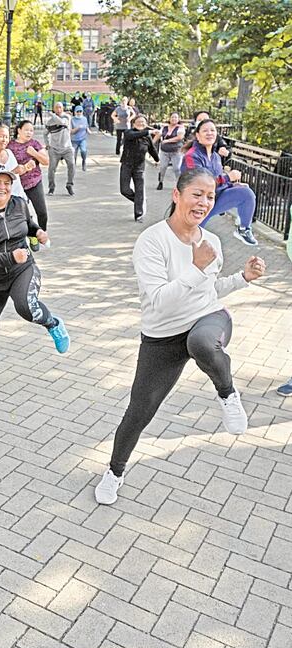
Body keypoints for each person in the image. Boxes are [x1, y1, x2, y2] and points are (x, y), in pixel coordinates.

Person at [95, 168, 266, 505]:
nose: (204, 203)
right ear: (177, 195)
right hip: (162, 335)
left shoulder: (211, 242)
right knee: (138, 413)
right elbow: (158, 300)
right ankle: (114, 472)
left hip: (208, 319)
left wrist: (243, 278)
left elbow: (210, 291)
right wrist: (196, 267)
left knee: (201, 343)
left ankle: (228, 394)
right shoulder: (153, 240)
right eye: (197, 194)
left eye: (211, 197)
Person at [0, 164, 70, 402]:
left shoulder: (19, 203)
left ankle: (53, 324)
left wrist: (38, 232)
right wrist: (9, 257)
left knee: (26, 307)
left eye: (7, 183)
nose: (3, 187)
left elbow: (28, 225)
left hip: (23, 270)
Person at [181, 119, 258, 246]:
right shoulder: (192, 155)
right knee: (190, 241)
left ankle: (244, 229)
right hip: (197, 203)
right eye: (205, 130)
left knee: (246, 193)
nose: (209, 133)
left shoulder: (216, 157)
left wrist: (233, 185)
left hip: (215, 198)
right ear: (198, 136)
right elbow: (200, 183)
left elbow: (217, 179)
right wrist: (228, 177)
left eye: (212, 130)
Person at [7, 120, 50, 240]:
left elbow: (46, 161)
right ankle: (29, 235)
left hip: (34, 182)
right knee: (21, 214)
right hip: (17, 184)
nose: (29, 133)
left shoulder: (35, 144)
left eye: (31, 130)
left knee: (42, 213)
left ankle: (41, 234)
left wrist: (34, 153)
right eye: (26, 130)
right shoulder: (10, 146)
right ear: (19, 130)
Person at [120, 114, 160, 222]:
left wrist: (157, 160)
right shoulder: (128, 133)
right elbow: (132, 136)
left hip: (139, 167)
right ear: (133, 123)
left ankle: (138, 214)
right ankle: (139, 201)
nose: (141, 124)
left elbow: (152, 149)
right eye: (139, 122)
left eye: (143, 122)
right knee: (124, 190)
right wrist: (149, 131)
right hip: (127, 164)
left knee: (139, 190)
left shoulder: (147, 137)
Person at [45, 102, 75, 196]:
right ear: (54, 108)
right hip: (54, 148)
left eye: (60, 107)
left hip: (67, 147)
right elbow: (45, 133)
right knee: (52, 169)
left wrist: (52, 115)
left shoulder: (66, 117)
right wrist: (47, 144)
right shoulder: (50, 121)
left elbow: (61, 122)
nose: (58, 109)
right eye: (56, 107)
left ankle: (69, 184)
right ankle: (51, 187)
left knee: (71, 165)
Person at [156, 112, 185, 190]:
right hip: (164, 151)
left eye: (176, 117)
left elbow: (179, 137)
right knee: (162, 167)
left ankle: (179, 185)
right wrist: (151, 143)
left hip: (176, 151)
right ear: (169, 118)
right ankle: (160, 182)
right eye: (172, 117)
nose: (174, 119)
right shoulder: (164, 127)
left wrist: (167, 141)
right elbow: (158, 135)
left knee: (177, 168)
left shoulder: (180, 127)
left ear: (178, 119)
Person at [70, 106, 89, 171]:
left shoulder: (84, 119)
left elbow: (86, 126)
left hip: (82, 139)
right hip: (74, 140)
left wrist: (88, 130)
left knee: (83, 151)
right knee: (73, 153)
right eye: (77, 111)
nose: (79, 113)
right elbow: (71, 131)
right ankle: (73, 166)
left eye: (80, 111)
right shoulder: (72, 120)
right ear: (75, 112)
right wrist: (77, 128)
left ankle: (84, 161)